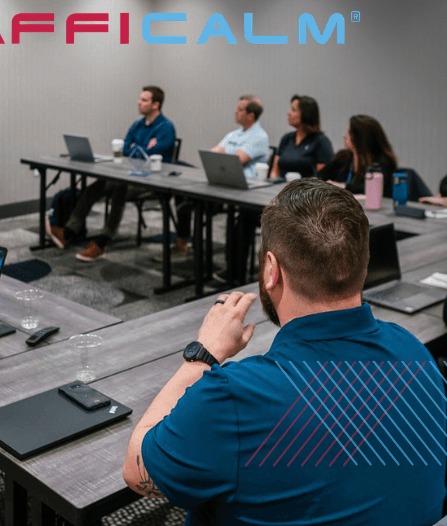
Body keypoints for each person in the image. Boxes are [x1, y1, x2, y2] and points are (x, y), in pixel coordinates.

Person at [123, 179, 445, 525]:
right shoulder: (412, 350)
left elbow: (135, 468)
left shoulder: (237, 396)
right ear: (362, 265)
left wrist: (204, 353)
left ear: (271, 269)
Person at [48, 86, 176, 261]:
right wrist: (138, 149)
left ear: (156, 105)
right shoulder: (137, 124)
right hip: (129, 173)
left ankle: (102, 242)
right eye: (140, 99)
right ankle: (69, 231)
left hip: (151, 180)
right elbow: (126, 149)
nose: (139, 102)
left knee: (120, 188)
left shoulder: (166, 127)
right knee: (96, 186)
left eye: (144, 100)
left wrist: (136, 149)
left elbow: (147, 155)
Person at [167, 96, 269, 284]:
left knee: (236, 221)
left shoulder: (259, 137)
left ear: (251, 115)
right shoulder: (234, 134)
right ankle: (192, 250)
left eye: (239, 109)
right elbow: (213, 153)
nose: (235, 112)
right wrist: (222, 157)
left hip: (245, 192)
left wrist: (223, 156)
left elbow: (236, 161)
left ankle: (233, 271)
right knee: (184, 185)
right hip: (224, 184)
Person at [319, 114, 398, 196]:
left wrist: (342, 186)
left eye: (349, 132)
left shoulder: (383, 162)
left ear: (360, 138)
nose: (344, 136)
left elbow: (369, 190)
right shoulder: (343, 156)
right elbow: (321, 177)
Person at [269, 95, 333, 179]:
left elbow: (322, 178)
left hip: (306, 190)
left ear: (306, 114)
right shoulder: (286, 138)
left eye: (293, 110)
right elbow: (275, 171)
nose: (288, 113)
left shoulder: (321, 141)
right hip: (282, 189)